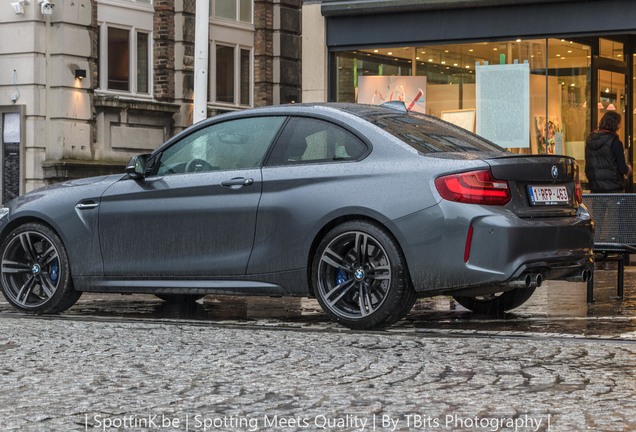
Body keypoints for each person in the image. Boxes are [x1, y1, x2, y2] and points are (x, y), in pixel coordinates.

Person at [585, 111, 632, 193]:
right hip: (613, 189)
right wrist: (628, 169)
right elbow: (622, 168)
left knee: (598, 207)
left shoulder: (590, 141)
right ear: (615, 125)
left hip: (595, 189)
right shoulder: (615, 142)